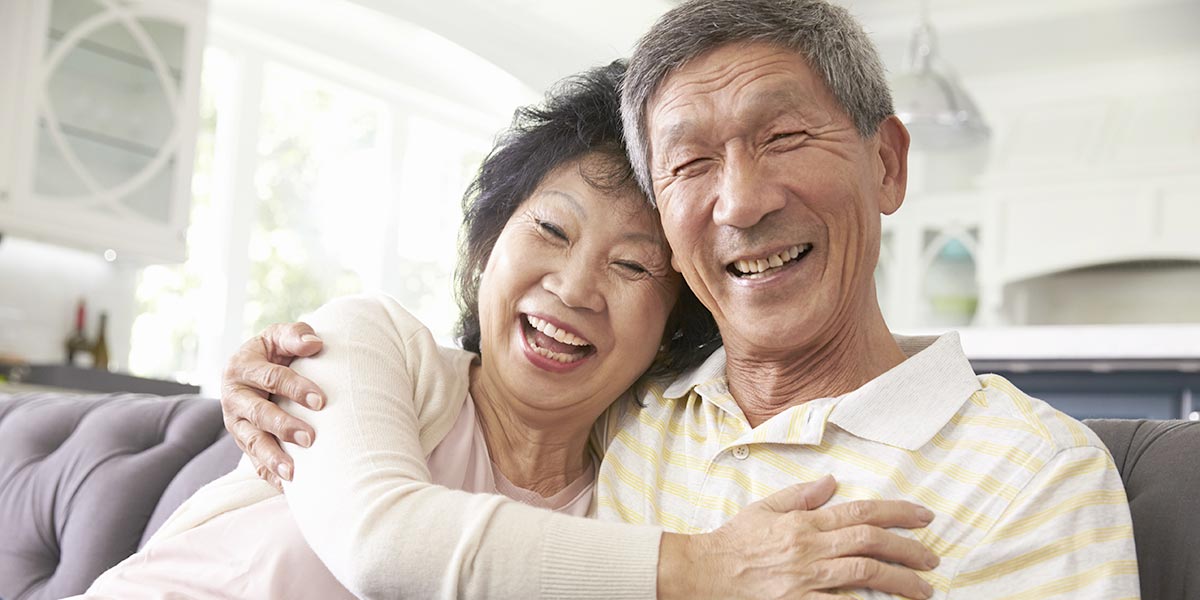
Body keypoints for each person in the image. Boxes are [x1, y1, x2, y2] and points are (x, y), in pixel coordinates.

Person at [227, 1, 1141, 598]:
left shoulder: (1037, 473)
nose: (740, 201)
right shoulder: (626, 421)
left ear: (887, 163)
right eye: (692, 163)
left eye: (782, 136)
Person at [80, 61, 939, 600]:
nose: (574, 288)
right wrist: (707, 570)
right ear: (486, 246)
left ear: (675, 321)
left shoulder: (632, 496)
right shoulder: (369, 347)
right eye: (552, 232)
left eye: (633, 267)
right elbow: (384, 546)